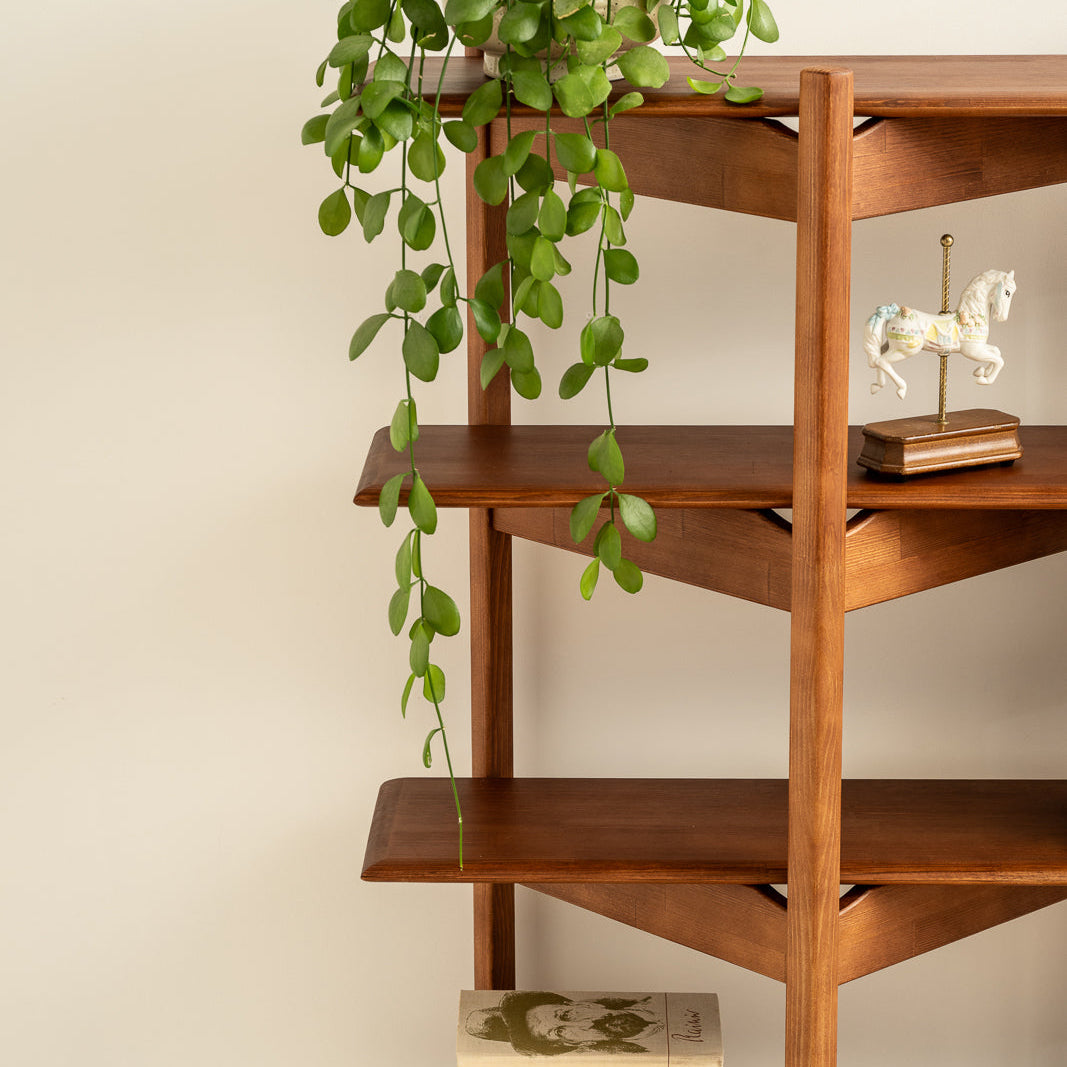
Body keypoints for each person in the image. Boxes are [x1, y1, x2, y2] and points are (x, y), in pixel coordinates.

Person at [464, 990, 664, 1056]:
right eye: (560, 1032)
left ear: (575, 1003)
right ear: (573, 1045)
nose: (584, 1025)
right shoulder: (639, 1054)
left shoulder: (652, 998)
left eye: (565, 1015)